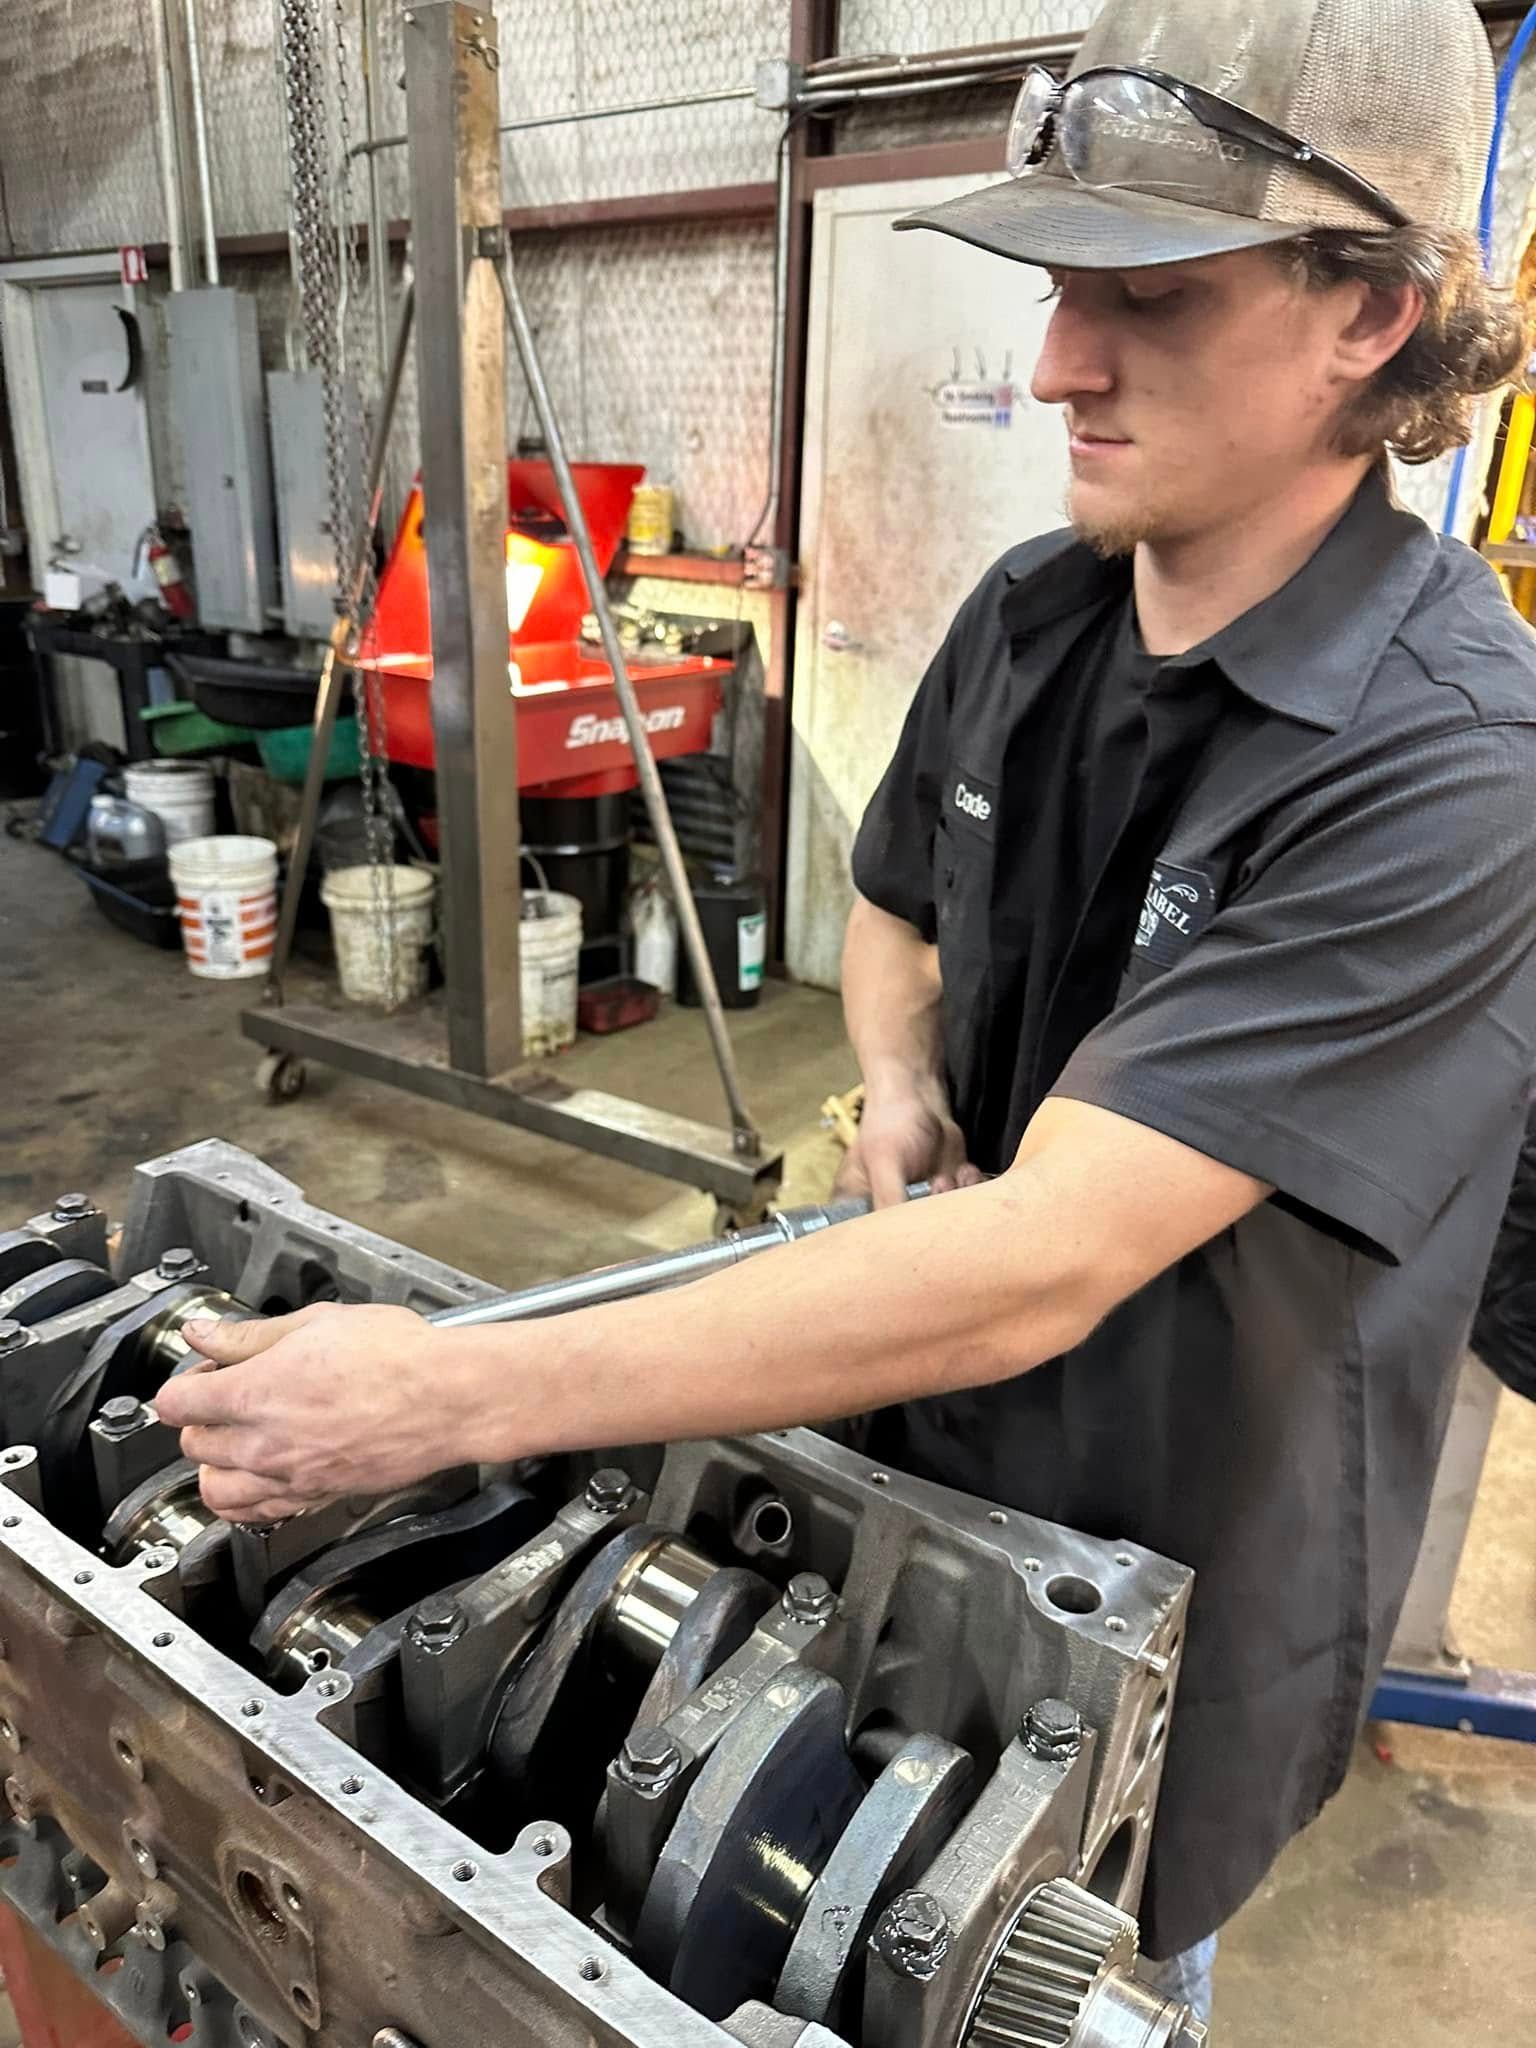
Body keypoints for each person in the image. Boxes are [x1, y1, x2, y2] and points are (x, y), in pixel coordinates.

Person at [155, 0, 1536, 2018]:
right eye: (1064, 286)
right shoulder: (1034, 616)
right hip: (904, 1515)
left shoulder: (1450, 768)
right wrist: (892, 1077)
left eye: (1148, 294)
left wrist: (441, 1390)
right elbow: (893, 907)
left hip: (1166, 1617)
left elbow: (1046, 1263)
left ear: (1371, 318)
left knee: (1079, 1971)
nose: (1061, 361)